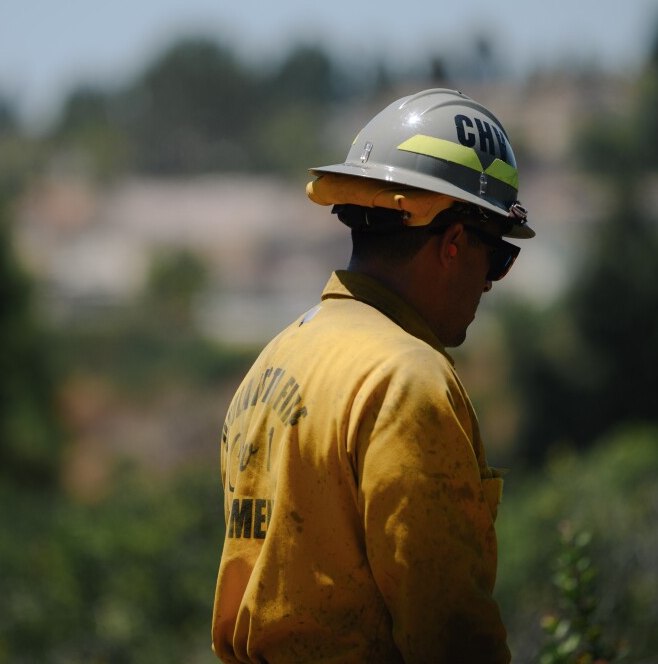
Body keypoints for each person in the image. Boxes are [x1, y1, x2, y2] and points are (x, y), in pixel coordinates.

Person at [211, 88, 533, 664]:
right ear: (456, 244)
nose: (490, 282)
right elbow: (450, 631)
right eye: (498, 258)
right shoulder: (408, 380)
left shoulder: (275, 361)